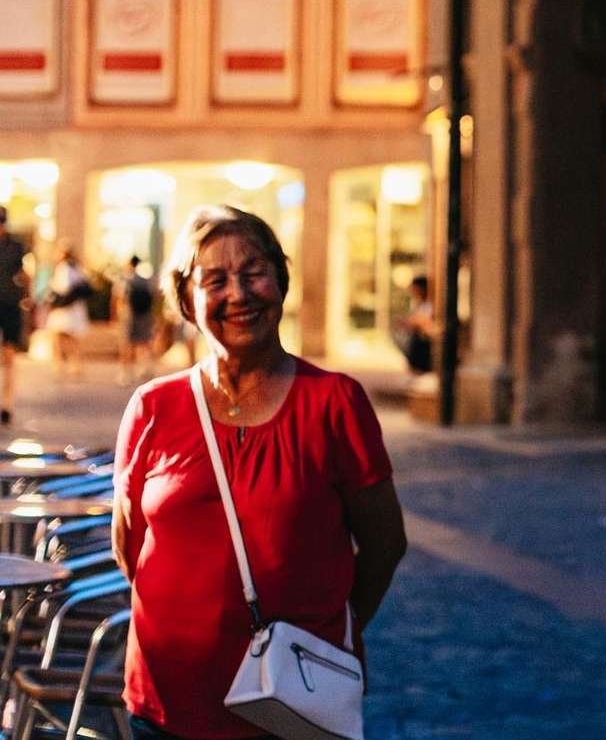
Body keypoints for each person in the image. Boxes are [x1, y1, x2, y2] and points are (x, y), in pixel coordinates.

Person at [113, 205, 407, 740]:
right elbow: (130, 546)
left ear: (281, 282)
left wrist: (323, 639)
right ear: (186, 300)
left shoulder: (334, 402)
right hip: (165, 699)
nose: (239, 294)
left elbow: (385, 544)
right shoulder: (153, 407)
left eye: (254, 273)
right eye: (215, 280)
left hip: (291, 705)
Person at [45, 242, 89, 380]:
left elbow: (62, 288)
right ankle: (75, 366)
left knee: (57, 338)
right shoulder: (78, 268)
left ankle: (59, 366)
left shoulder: (63, 269)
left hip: (63, 309)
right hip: (74, 309)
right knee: (73, 339)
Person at [0, 207, 28, 426]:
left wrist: (26, 298)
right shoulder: (16, 246)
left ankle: (7, 405)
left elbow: (24, 275)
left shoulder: (16, 246)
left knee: (9, 357)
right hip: (10, 303)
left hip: (10, 305)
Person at [119, 256, 156, 386]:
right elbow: (154, 295)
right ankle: (146, 368)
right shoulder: (146, 280)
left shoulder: (127, 279)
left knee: (128, 343)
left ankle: (126, 374)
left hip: (130, 315)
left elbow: (120, 298)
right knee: (145, 341)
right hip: (145, 315)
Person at [397, 275, 436, 375]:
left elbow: (426, 321)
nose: (414, 292)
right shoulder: (419, 303)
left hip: (425, 338)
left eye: (415, 289)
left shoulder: (431, 303)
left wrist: (416, 322)